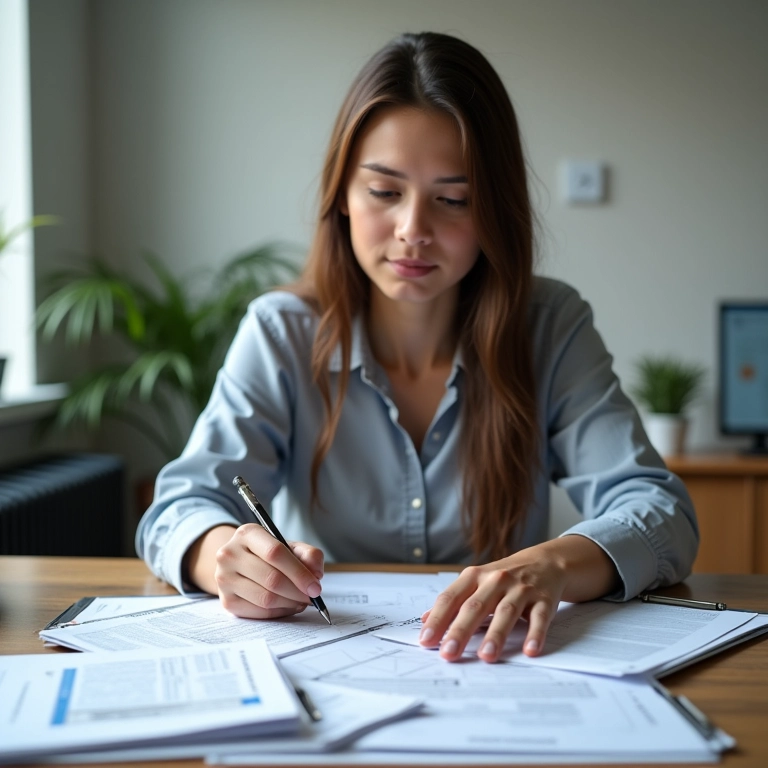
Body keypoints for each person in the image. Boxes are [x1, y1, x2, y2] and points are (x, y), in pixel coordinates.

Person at [136, 31, 698, 664]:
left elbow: (660, 511)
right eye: (383, 192)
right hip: (329, 665)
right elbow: (179, 508)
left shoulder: (549, 325)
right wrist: (225, 560)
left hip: (502, 669)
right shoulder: (281, 331)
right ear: (341, 198)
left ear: (495, 211)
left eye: (453, 200)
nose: (412, 232)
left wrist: (552, 564)